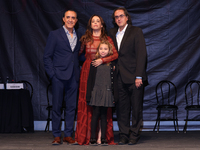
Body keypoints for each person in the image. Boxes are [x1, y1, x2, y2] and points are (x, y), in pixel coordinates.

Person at [75, 14, 118, 145]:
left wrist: (102, 60)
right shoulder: (85, 38)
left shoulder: (107, 39)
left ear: (102, 24)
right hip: (88, 72)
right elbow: (78, 54)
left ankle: (102, 136)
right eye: (93, 21)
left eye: (97, 21)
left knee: (103, 105)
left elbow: (115, 54)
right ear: (90, 24)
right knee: (87, 102)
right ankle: (86, 136)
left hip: (103, 71)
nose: (95, 23)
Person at [109, 7, 147, 145]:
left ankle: (134, 134)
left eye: (121, 16)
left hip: (134, 77)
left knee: (136, 108)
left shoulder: (136, 31)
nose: (118, 18)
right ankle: (124, 135)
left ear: (127, 17)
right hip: (118, 77)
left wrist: (139, 76)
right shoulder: (112, 32)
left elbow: (141, 55)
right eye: (116, 17)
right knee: (121, 109)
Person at [43, 10, 81, 145]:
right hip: (58, 76)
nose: (71, 20)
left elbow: (77, 56)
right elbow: (47, 56)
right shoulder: (54, 34)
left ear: (76, 21)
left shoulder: (79, 36)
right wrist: (52, 74)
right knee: (57, 107)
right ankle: (57, 135)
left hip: (74, 76)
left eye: (73, 18)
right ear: (63, 19)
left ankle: (68, 135)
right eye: (68, 17)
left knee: (71, 107)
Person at [86, 41, 118, 146]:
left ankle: (103, 138)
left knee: (104, 115)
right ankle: (93, 138)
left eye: (105, 49)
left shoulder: (112, 64)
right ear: (98, 50)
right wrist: (89, 95)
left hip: (107, 91)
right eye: (101, 49)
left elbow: (114, 82)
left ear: (109, 51)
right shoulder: (94, 63)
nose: (103, 51)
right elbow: (90, 80)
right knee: (95, 115)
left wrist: (114, 95)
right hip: (96, 91)